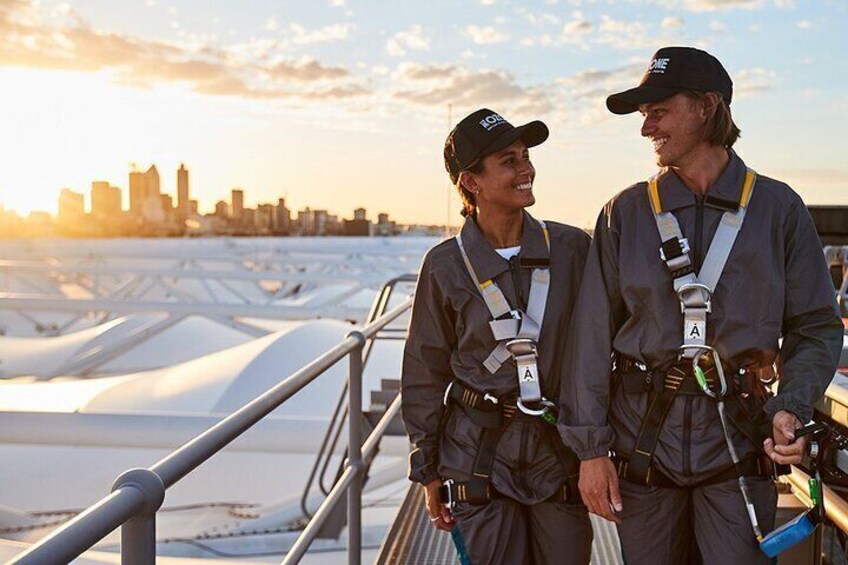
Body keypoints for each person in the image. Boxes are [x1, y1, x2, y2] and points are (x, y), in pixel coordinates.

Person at [559, 46, 844, 564]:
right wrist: (590, 451)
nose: (647, 128)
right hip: (643, 449)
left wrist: (790, 406)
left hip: (737, 446)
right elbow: (590, 341)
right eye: (644, 115)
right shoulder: (622, 214)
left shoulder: (779, 210)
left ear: (707, 106)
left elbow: (817, 327)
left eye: (659, 110)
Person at [401, 108, 593, 564]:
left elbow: (601, 345)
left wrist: (596, 448)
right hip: (477, 456)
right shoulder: (445, 265)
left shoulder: (571, 249)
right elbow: (424, 371)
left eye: (525, 156)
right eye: (509, 160)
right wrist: (428, 471)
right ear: (471, 182)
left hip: (558, 454)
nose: (526, 169)